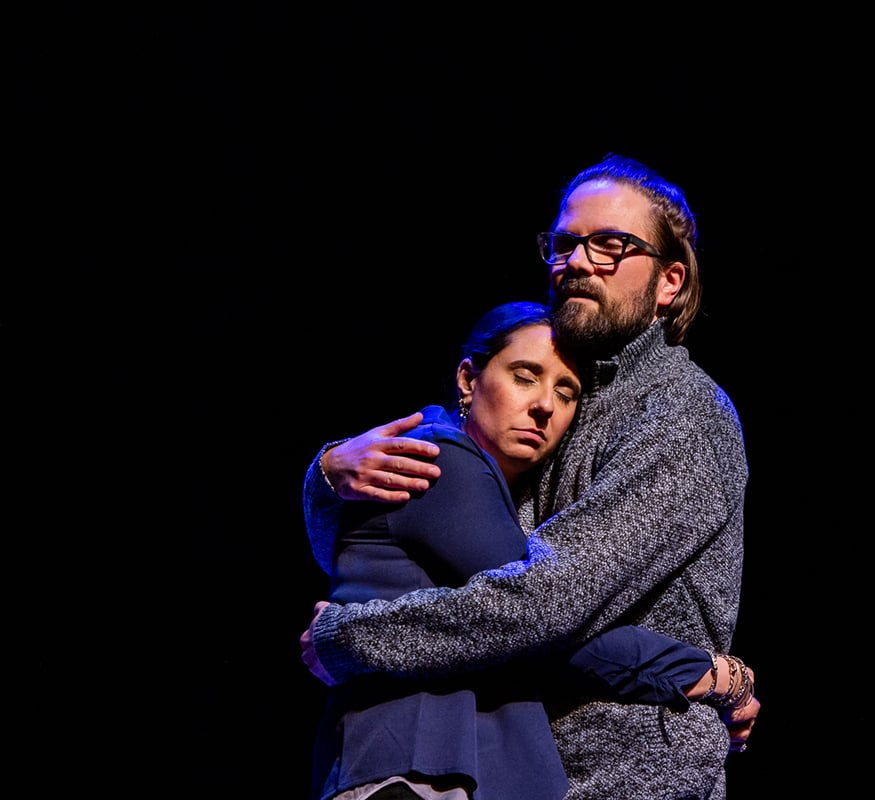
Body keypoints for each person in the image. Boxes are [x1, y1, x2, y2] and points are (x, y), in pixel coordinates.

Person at [302, 153, 753, 799]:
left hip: (625, 775)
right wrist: (327, 475)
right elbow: (392, 555)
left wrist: (355, 636)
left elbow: (548, 604)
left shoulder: (678, 411)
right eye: (565, 242)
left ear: (668, 282)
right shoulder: (553, 407)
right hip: (514, 764)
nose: (576, 260)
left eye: (610, 245)